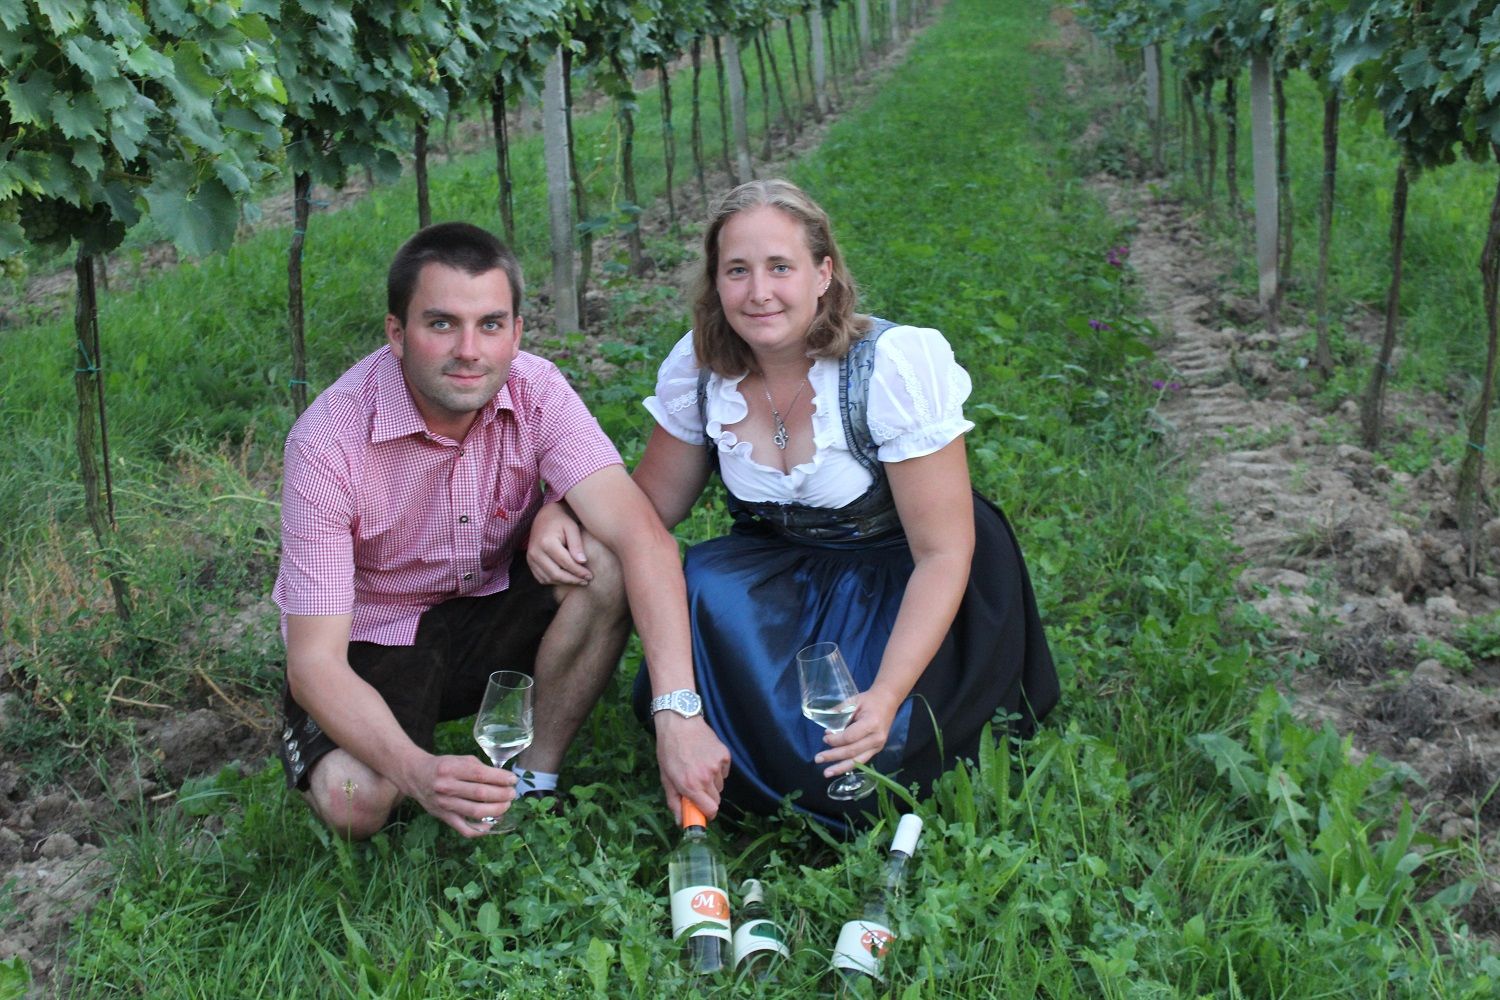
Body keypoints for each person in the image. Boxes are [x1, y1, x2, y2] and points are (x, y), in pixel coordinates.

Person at [529, 180, 1059, 830]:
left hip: (904, 579)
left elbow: (944, 554)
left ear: (823, 274)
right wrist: (563, 507)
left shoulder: (889, 367)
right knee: (703, 585)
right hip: (788, 570)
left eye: (780, 267)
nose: (759, 292)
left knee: (852, 778)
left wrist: (886, 695)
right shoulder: (703, 370)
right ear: (715, 282)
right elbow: (646, 508)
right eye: (737, 270)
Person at [272, 221, 728, 840]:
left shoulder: (535, 388)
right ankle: (391, 755)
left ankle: (534, 781)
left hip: (490, 604)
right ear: (396, 333)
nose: (469, 350)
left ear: (516, 332)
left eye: (490, 325)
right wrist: (419, 773)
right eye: (441, 324)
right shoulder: (327, 443)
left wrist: (677, 712)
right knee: (355, 802)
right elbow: (314, 662)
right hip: (377, 634)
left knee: (605, 558)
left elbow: (642, 536)